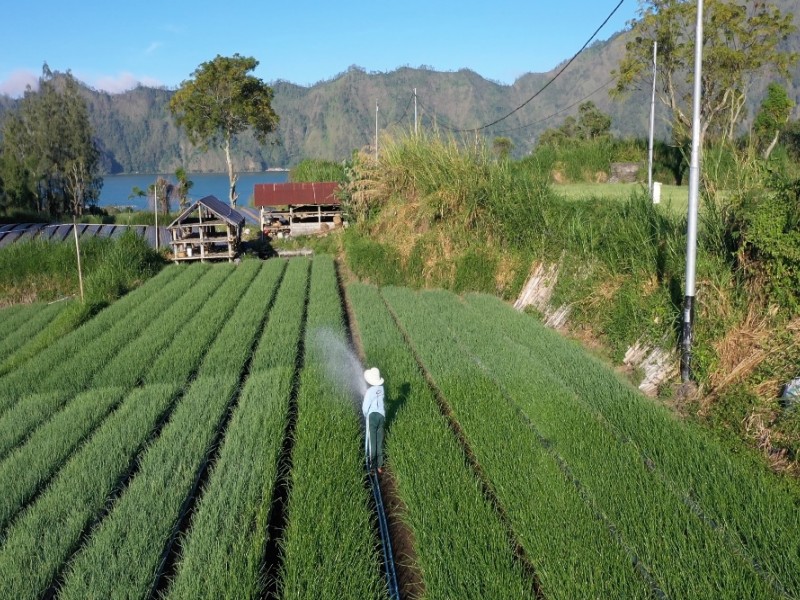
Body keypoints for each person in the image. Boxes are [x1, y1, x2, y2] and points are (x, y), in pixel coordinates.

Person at [362, 367, 385, 475]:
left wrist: (366, 415)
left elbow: (366, 407)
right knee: (379, 441)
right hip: (381, 416)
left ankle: (371, 466)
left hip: (372, 416)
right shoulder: (382, 389)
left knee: (372, 441)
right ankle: (380, 466)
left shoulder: (369, 391)